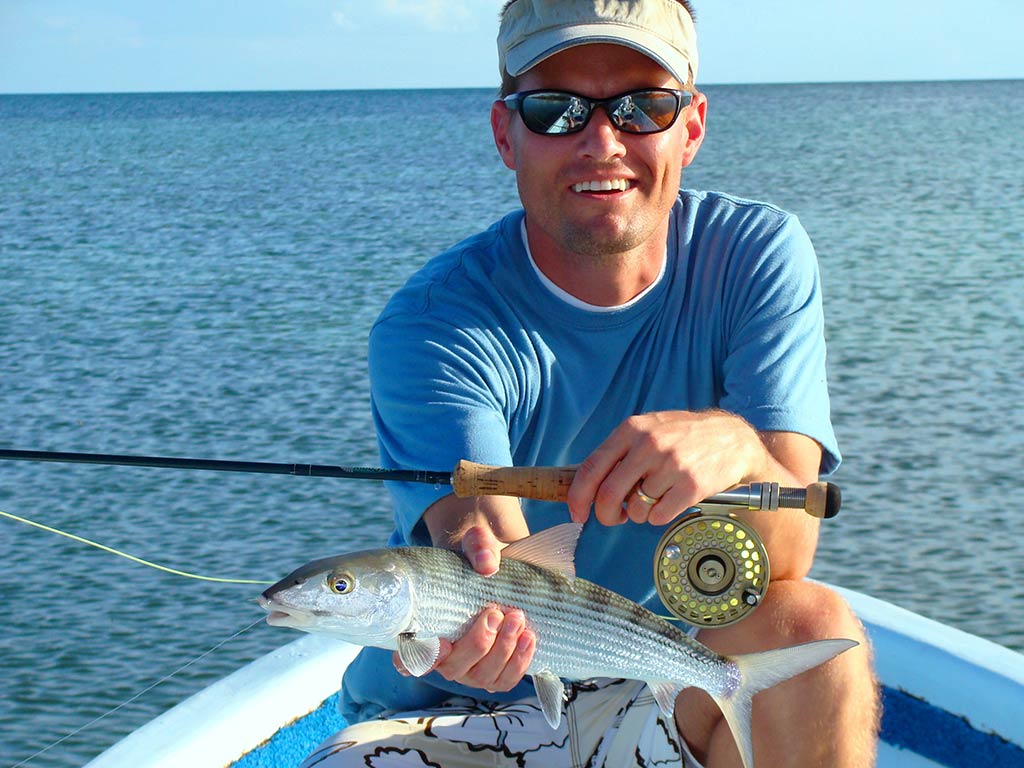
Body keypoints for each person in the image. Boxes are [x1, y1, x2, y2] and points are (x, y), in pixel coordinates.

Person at [305, 1, 879, 766]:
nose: (602, 142)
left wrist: (739, 449)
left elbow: (789, 553)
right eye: (556, 109)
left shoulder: (756, 256)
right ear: (506, 135)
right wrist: (488, 626)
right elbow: (496, 555)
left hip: (656, 677)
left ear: (693, 126)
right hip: (454, 709)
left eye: (644, 107)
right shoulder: (433, 325)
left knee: (811, 628)